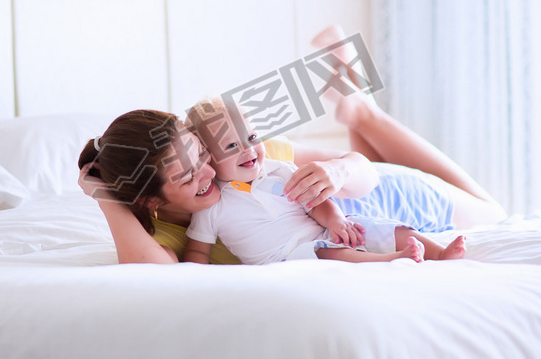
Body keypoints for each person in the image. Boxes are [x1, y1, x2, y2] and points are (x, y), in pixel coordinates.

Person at [77, 29, 506, 265]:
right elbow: (156, 275)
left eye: (202, 154)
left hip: (378, 197)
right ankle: (357, 111)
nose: (208, 171)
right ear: (150, 198)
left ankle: (362, 116)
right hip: (352, 226)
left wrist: (337, 172)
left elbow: (362, 171)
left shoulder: (251, 158)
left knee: (495, 214)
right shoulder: (165, 233)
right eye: (188, 177)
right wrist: (105, 197)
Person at [182, 98, 467, 265]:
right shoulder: (213, 204)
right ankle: (390, 261)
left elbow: (316, 203)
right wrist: (196, 276)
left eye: (253, 138)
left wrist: (336, 221)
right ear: (207, 158)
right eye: (230, 147)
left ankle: (439, 253)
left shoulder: (278, 169)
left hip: (327, 228)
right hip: (291, 257)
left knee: (374, 227)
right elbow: (197, 249)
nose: (247, 149)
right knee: (331, 253)